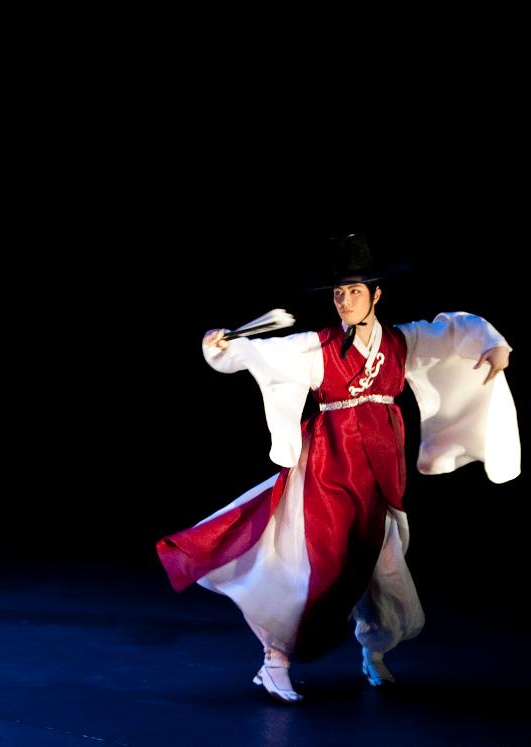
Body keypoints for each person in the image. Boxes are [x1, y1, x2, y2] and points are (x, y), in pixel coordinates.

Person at [156, 234, 519, 704]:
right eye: (338, 292)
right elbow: (257, 354)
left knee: (383, 566)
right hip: (326, 471)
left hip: (380, 471)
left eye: (354, 291)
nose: (344, 300)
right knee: (311, 567)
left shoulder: (401, 341)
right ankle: (274, 662)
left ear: (376, 295)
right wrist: (218, 347)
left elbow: (453, 330)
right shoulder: (317, 347)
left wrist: (495, 345)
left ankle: (374, 650)